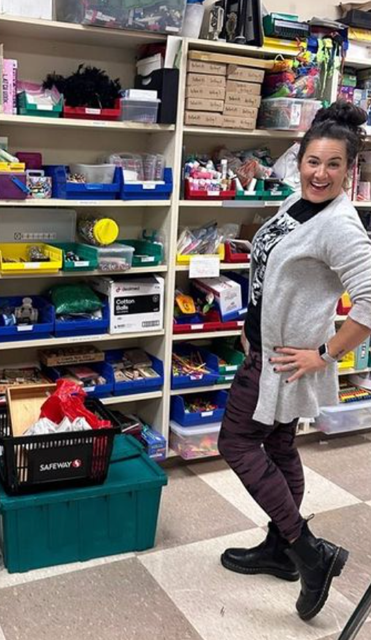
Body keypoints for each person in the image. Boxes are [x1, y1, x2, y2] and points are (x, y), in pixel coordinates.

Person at [217, 101, 371, 621]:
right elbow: (272, 270)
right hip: (265, 345)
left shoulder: (340, 225)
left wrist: (326, 355)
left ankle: (309, 553)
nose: (319, 173)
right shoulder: (295, 201)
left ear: (349, 170)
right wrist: (250, 323)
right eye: (312, 161)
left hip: (286, 360)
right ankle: (281, 550)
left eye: (333, 165)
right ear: (299, 160)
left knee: (236, 441)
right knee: (279, 445)